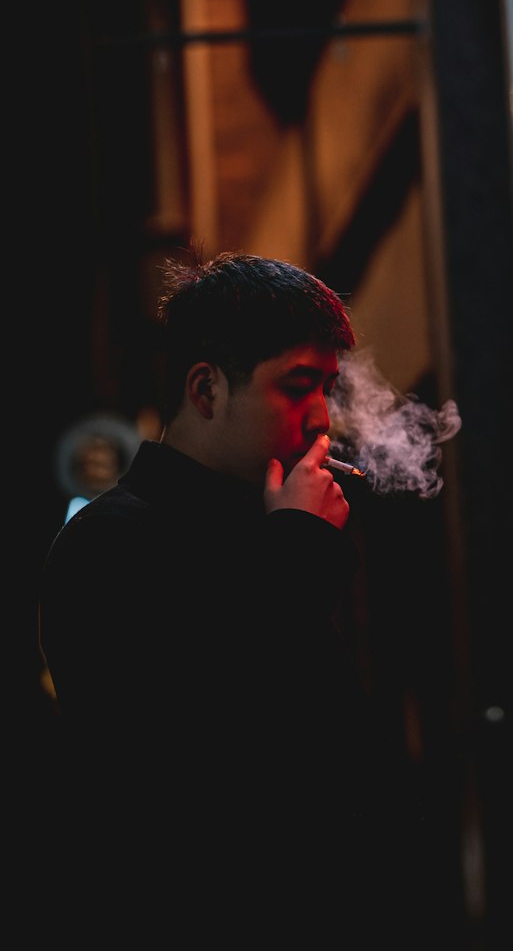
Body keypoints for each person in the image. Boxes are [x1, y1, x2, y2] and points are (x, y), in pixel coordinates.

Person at [37, 252, 402, 937]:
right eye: (297, 386)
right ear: (205, 391)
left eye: (326, 386)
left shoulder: (265, 524)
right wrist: (296, 553)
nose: (322, 417)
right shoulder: (109, 545)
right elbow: (200, 771)